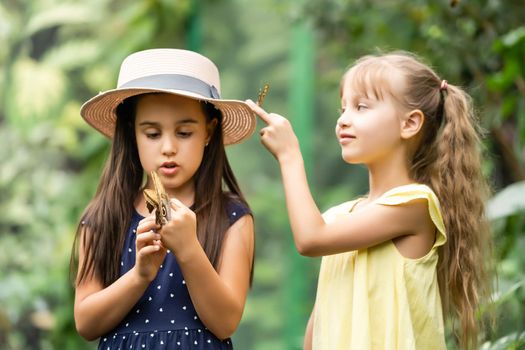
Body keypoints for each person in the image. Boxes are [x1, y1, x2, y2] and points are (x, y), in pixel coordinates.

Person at [247, 51, 492, 349]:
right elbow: (321, 316)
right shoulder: (339, 217)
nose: (344, 120)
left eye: (361, 107)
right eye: (343, 109)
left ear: (410, 124)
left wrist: (289, 156)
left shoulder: (415, 204)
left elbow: (310, 239)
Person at [70, 48, 256, 349]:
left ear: (209, 132)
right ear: (132, 134)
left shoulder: (231, 217)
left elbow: (226, 322)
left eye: (184, 133)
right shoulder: (104, 217)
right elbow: (86, 323)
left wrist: (189, 248)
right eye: (152, 134)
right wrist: (140, 274)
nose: (168, 147)